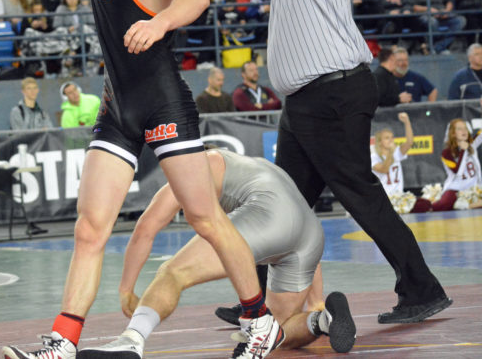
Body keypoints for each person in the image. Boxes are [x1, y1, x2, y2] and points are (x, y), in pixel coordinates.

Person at [2, 0, 278, 359]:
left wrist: (160, 22)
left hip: (163, 101)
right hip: (118, 107)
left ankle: (259, 320)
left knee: (204, 219)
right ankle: (63, 341)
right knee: (90, 228)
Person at [233, 0, 450, 325]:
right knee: (282, 203)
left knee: (358, 193)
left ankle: (421, 287)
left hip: (331, 94)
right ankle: (257, 302)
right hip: (305, 105)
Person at [79, 148, 356, 358]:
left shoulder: (191, 170)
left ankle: (132, 339)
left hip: (269, 216)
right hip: (310, 232)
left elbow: (145, 229)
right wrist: (316, 301)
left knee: (172, 273)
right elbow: (297, 223)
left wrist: (127, 288)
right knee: (276, 328)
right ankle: (323, 321)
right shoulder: (246, 166)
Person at [371, 113, 432, 214]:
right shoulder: (374, 157)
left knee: (426, 204)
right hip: (385, 198)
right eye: (387, 138)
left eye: (392, 137)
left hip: (399, 196)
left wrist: (407, 122)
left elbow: (409, 142)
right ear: (380, 142)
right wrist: (391, 152)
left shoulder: (396, 153)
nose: (391, 140)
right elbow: (384, 169)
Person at [432, 117, 482, 211]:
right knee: (443, 205)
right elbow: (457, 172)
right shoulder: (446, 153)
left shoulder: (472, 144)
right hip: (456, 187)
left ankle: (468, 205)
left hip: (474, 186)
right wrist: (464, 150)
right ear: (453, 133)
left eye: (465, 128)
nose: (464, 131)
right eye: (459, 129)